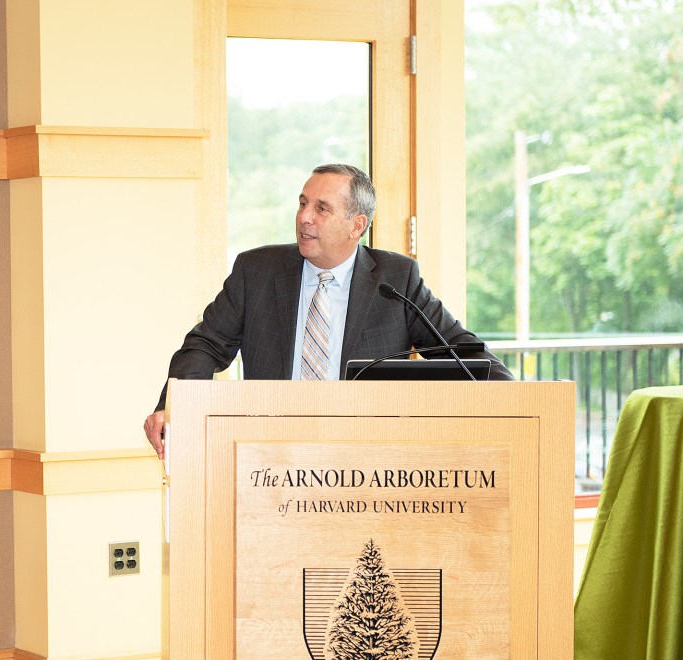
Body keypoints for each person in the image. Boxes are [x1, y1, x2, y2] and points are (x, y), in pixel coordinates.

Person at [143, 163, 514, 459]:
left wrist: (518, 401)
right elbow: (205, 345)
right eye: (303, 203)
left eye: (322, 209)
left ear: (357, 225)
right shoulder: (256, 272)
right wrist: (174, 408)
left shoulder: (395, 279)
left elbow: (461, 353)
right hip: (269, 458)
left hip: (364, 464)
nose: (305, 217)